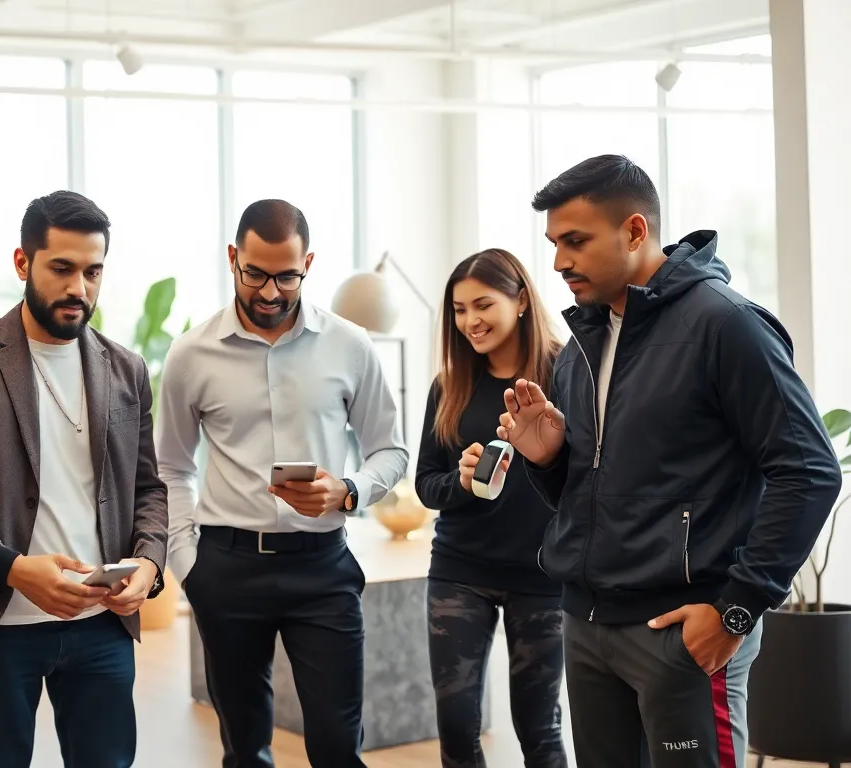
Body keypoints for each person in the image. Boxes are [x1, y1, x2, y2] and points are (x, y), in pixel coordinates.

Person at [498, 154, 843, 767]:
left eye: (575, 241)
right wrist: (549, 461)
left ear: (635, 231)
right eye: (553, 243)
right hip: (586, 625)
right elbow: (599, 494)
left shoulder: (726, 325)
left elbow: (809, 470)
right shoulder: (583, 344)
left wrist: (735, 610)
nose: (558, 262)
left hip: (683, 630)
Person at [157, 198, 409, 768]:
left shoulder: (350, 344)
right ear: (232, 260)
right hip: (226, 566)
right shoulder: (191, 354)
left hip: (322, 568)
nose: (270, 292)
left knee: (337, 746)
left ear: (308, 264)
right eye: (256, 274)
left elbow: (390, 449)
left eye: (287, 276)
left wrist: (347, 490)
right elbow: (171, 467)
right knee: (244, 748)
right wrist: (187, 566)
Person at [0, 189, 168, 768]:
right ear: (22, 263)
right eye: (62, 268)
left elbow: (148, 488)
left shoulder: (126, 369)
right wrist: (10, 568)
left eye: (93, 271)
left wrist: (150, 563)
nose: (78, 288)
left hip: (103, 627)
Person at [415, 248, 568, 768]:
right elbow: (425, 485)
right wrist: (459, 482)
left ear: (521, 299)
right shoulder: (450, 386)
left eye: (482, 305)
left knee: (539, 729)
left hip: (544, 576)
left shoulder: (568, 374)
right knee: (457, 728)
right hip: (461, 572)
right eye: (458, 310)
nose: (469, 321)